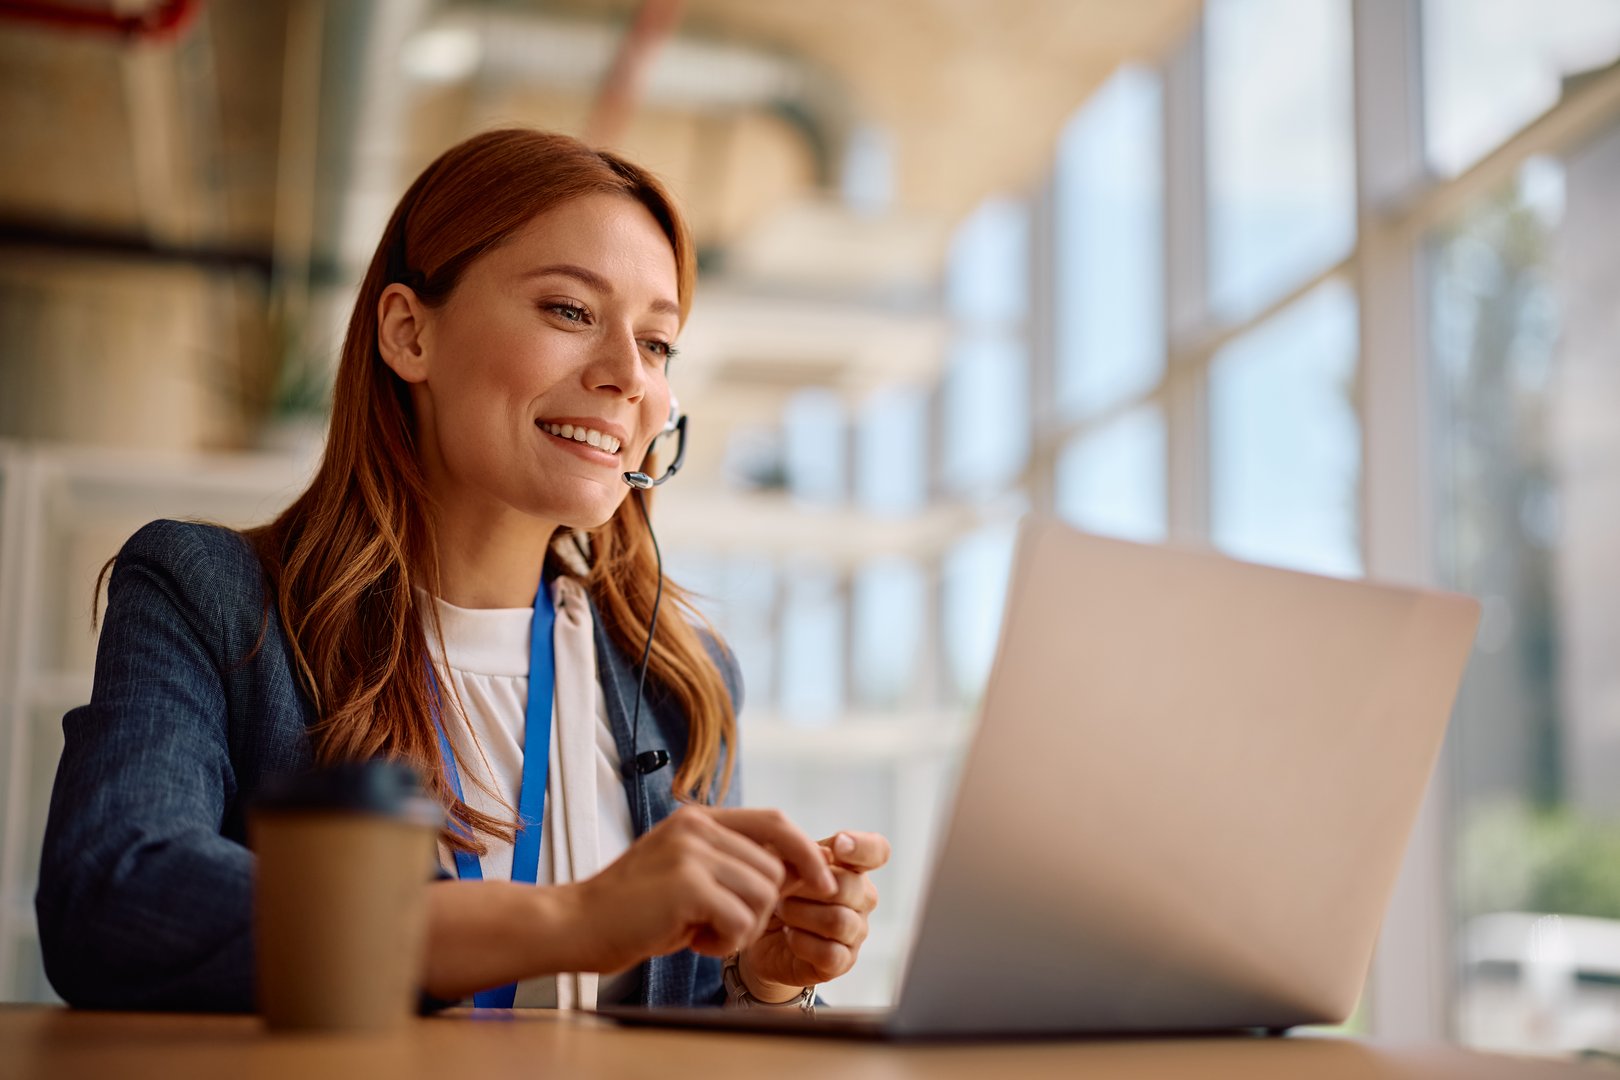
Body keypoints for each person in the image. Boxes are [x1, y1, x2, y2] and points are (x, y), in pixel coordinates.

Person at [36, 127, 889, 1012]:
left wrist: (766, 980)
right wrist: (568, 919)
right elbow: (114, 894)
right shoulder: (208, 596)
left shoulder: (682, 679)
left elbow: (686, 1023)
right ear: (409, 334)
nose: (629, 377)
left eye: (659, 343)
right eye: (570, 311)